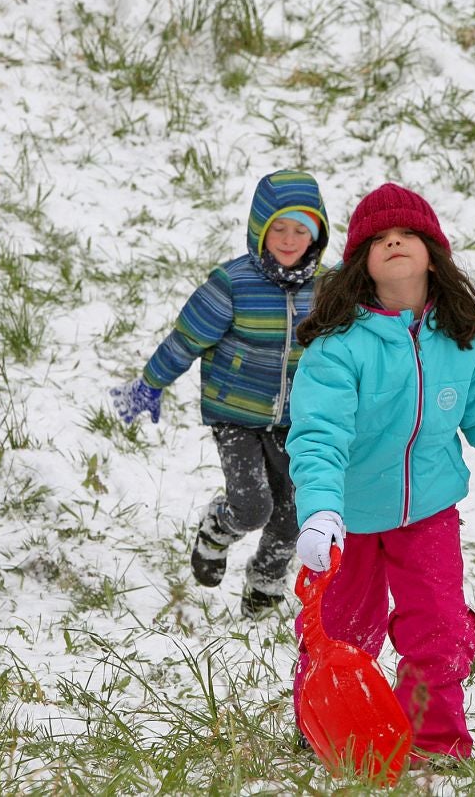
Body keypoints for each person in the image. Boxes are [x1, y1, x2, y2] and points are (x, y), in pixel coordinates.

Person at [287, 182, 475, 762]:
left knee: (439, 627)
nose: (394, 243)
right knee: (340, 630)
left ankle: (435, 743)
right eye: (379, 238)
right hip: (348, 519)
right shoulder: (338, 346)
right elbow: (319, 436)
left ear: (433, 253)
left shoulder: (463, 340)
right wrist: (321, 512)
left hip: (429, 511)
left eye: (407, 233)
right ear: (361, 264)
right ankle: (329, 732)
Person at [112, 170, 328, 618]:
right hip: (235, 414)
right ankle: (217, 528)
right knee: (252, 506)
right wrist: (151, 383)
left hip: (297, 417)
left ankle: (266, 582)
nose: (289, 240)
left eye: (301, 230)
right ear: (260, 229)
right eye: (279, 229)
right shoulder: (233, 284)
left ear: (317, 234)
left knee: (294, 511)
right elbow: (186, 339)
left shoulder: (328, 288)